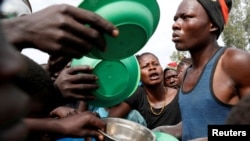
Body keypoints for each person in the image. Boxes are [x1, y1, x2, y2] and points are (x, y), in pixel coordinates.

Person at [163, 0, 250, 140]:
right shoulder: (184, 74)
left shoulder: (236, 62)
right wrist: (162, 131)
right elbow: (195, 121)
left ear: (213, 25)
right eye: (176, 19)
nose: (175, 25)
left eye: (186, 17)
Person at [108, 52, 181, 130]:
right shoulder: (138, 94)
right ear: (139, 75)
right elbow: (111, 120)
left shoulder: (180, 94)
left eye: (156, 64)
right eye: (145, 66)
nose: (152, 68)